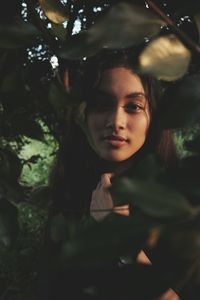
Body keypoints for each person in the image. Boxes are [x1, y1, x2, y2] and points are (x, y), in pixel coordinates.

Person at [40, 50, 181, 300]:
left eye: (134, 106)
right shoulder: (69, 198)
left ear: (154, 119)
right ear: (84, 115)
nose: (116, 120)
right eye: (102, 104)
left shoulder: (181, 204)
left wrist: (121, 239)